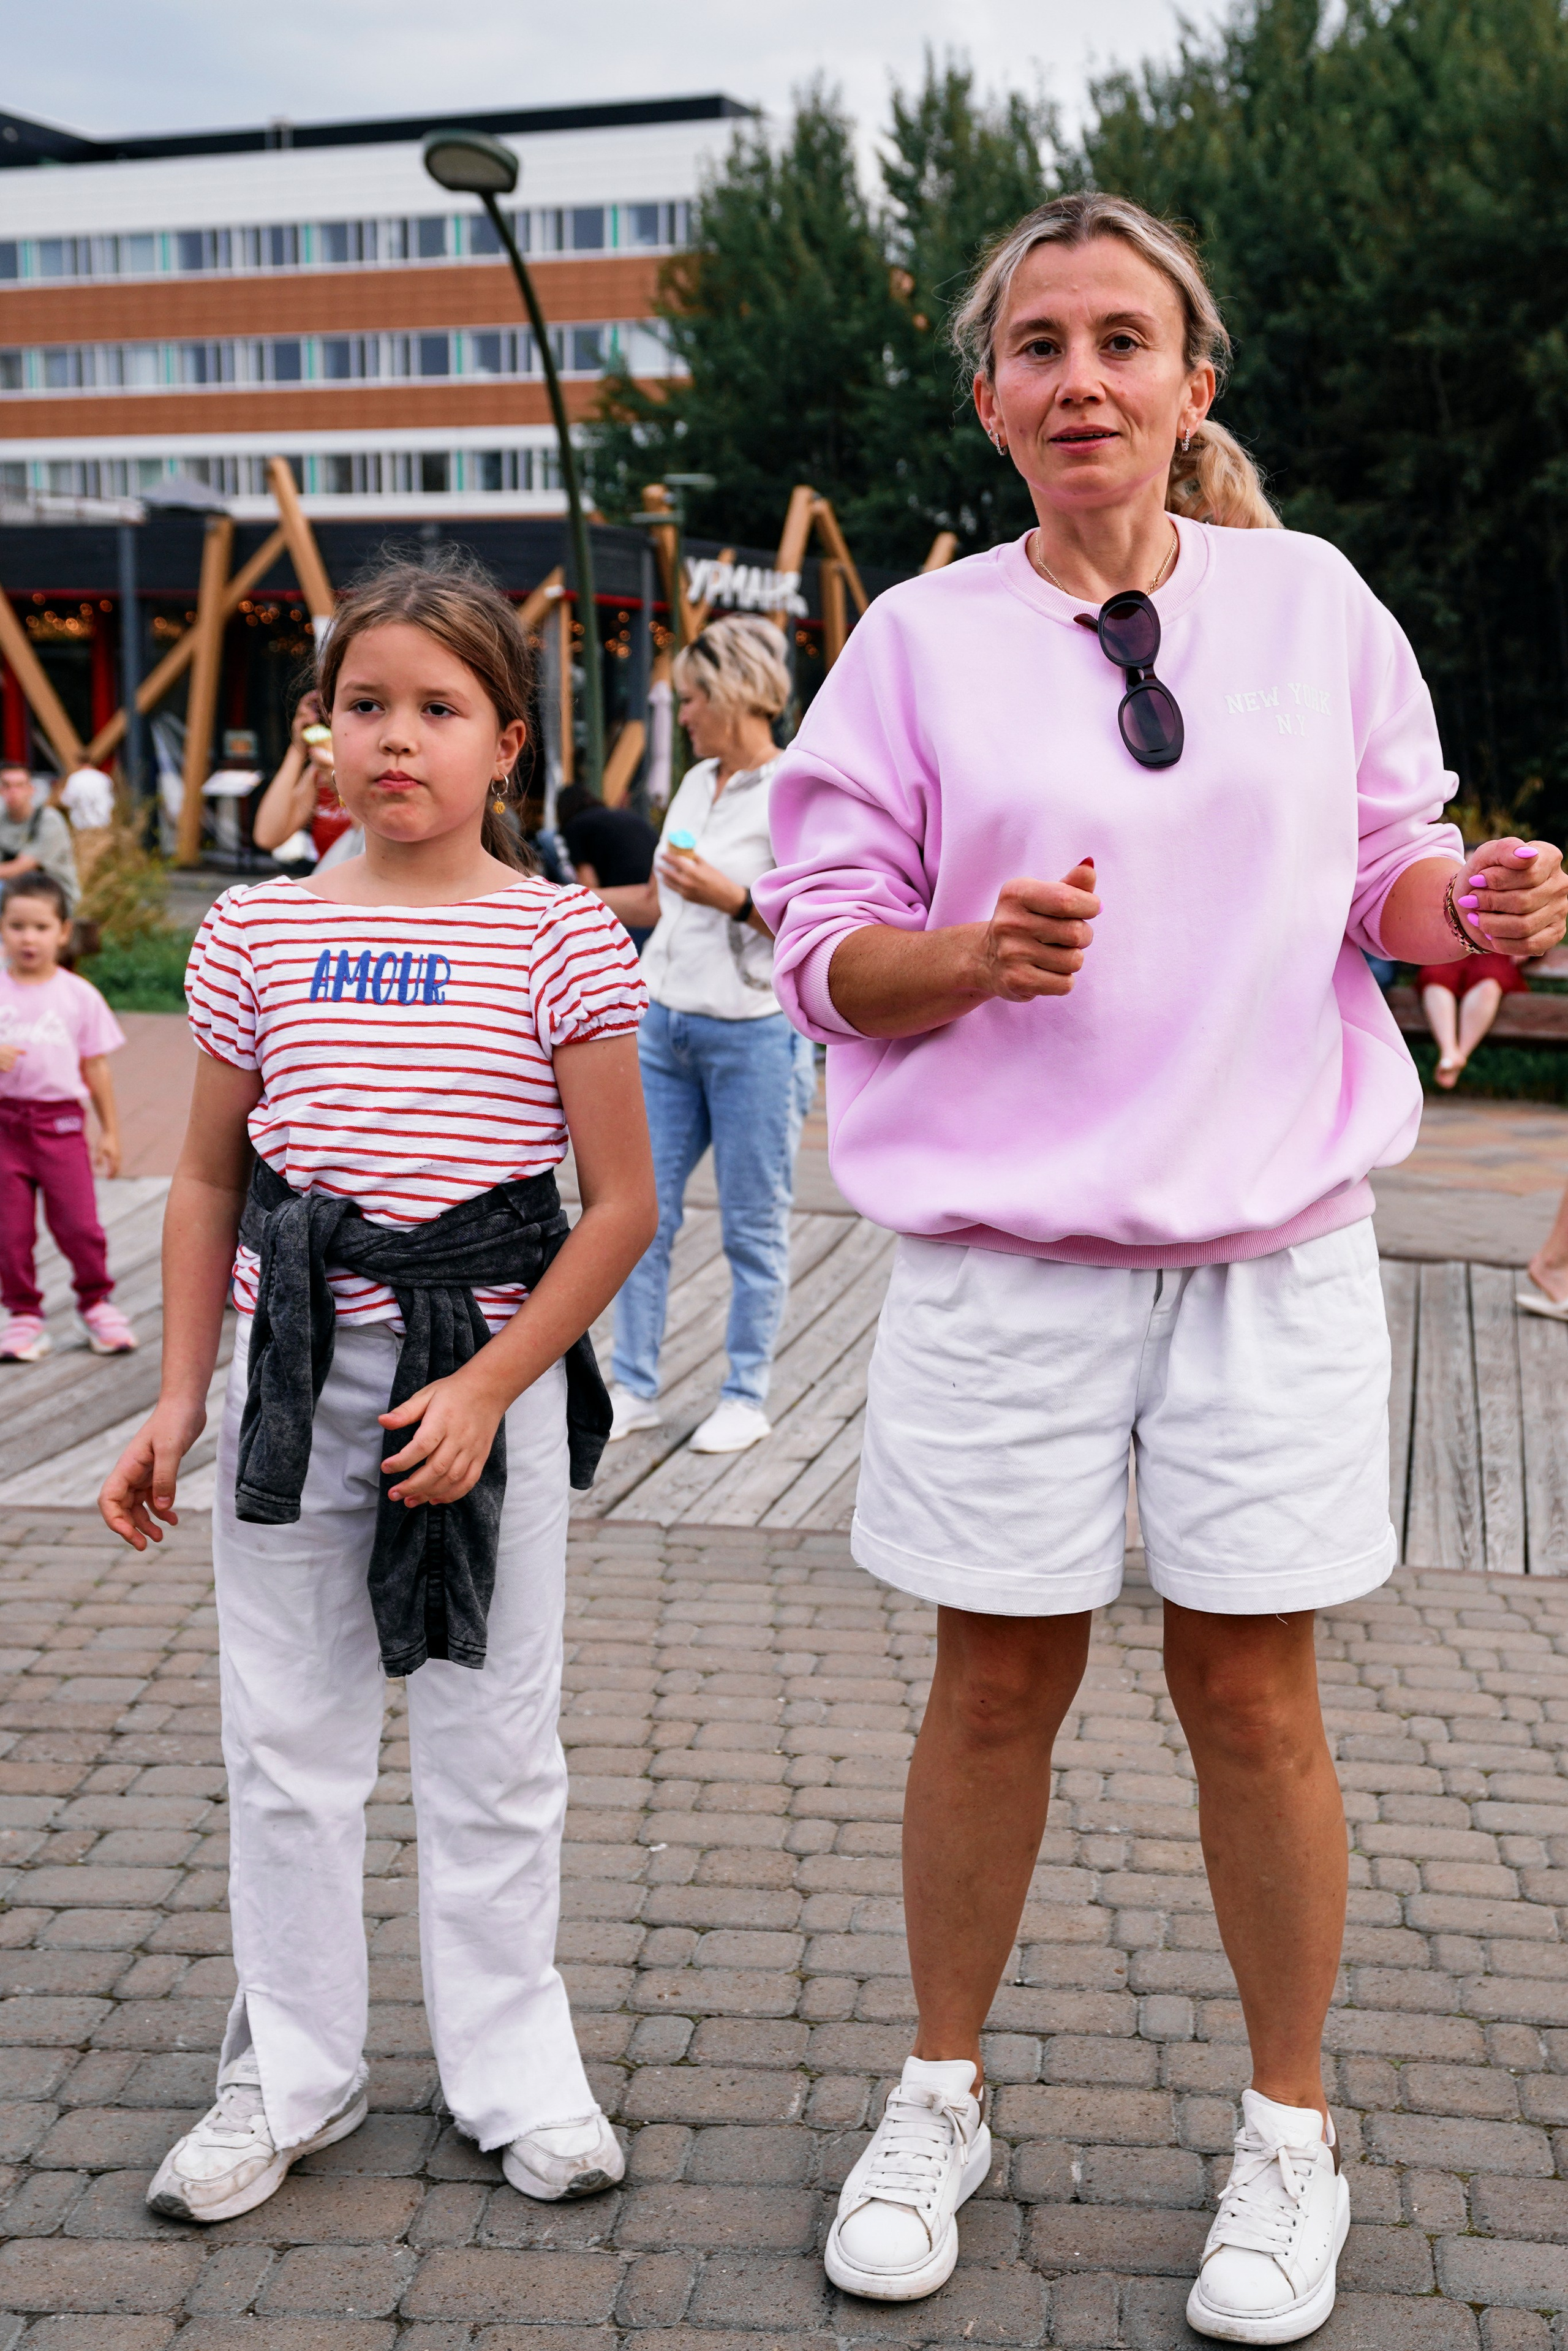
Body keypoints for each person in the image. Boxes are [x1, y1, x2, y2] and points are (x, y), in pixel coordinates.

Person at [757, 191, 1568, 2341]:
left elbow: (1388, 875)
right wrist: (968, 952)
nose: (1084, 376)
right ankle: (940, 2090)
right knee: (995, 1679)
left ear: (1194, 381)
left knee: (1253, 1690)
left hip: (1272, 1244)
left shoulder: (1315, 606)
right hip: (1006, 1262)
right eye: (1041, 344)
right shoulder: (917, 644)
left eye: (1125, 338)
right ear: (992, 396)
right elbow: (818, 942)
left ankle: (1289, 2128)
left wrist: (1471, 904)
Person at [97, 551, 656, 2225]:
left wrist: (492, 1382)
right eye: (362, 705)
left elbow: (617, 1200)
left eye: (437, 708)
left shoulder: (562, 936)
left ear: (507, 744)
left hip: (485, 1387)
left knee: (497, 1741)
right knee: (288, 1735)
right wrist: (178, 1393)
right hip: (295, 1380)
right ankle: (293, 2061)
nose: (394, 739)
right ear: (320, 735)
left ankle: (514, 2065)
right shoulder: (256, 931)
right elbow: (207, 1179)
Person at [589, 613, 815, 1457]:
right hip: (663, 1025)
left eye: (691, 699)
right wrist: (554, 901)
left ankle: (746, 1394)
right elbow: (653, 904)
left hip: (756, 1035)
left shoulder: (797, 789)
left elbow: (813, 924)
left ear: (733, 694)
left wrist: (732, 897)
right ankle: (634, 1387)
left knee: (753, 1226)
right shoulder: (694, 784)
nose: (681, 715)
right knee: (637, 1214)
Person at [0, 873, 137, 1361]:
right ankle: (22, 1314)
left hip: (60, 1127)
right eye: (17, 926)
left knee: (79, 1225)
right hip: (5, 1129)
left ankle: (96, 1301)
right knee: (10, 1231)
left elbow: (96, 1067)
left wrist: (111, 1133)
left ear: (62, 932)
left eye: (40, 927)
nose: (28, 938)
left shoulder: (78, 995)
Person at [251, 690, 355, 869]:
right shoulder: (319, 773)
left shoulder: (376, 771)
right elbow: (267, 836)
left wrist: (338, 782)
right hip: (330, 890)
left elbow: (367, 835)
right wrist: (298, 747)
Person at [557, 780, 660, 949]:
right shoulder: (623, 816)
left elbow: (588, 886)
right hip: (655, 898)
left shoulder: (575, 827)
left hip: (628, 908)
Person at [1416, 946, 1527, 1087]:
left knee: (1489, 984)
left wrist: (1527, 944)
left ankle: (1457, 1056)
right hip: (1452, 945)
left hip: (1495, 950)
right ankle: (1449, 1051)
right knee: (1435, 977)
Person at [0, 765, 79, 913]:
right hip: (15, 892)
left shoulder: (49, 820)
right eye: (6, 785)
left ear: (31, 789)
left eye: (19, 785)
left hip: (54, 895)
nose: (13, 792)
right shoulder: (2, 818)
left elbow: (21, 867)